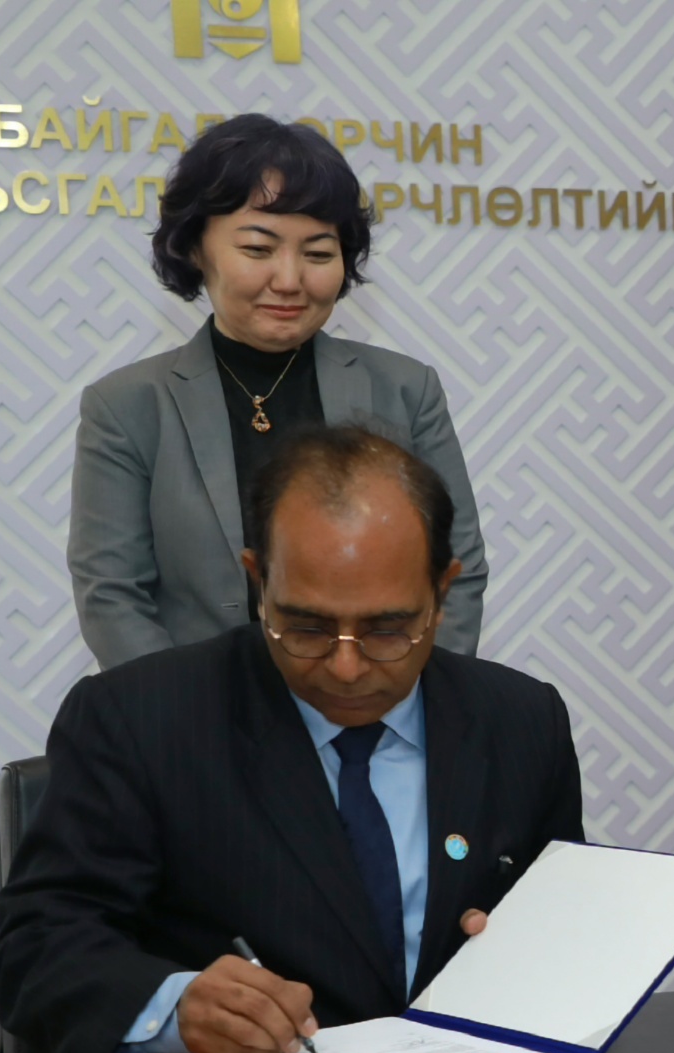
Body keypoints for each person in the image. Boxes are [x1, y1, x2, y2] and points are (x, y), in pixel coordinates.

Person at [0, 424, 582, 1053]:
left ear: (443, 593)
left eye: (387, 629)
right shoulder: (140, 719)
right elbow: (35, 950)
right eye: (306, 627)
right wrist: (175, 1006)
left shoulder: (522, 720)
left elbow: (569, 930)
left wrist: (523, 952)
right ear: (258, 580)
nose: (347, 667)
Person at [68, 113, 487, 670]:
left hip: (372, 696)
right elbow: (112, 595)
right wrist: (182, 713)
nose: (289, 280)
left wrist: (402, 695)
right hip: (197, 706)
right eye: (258, 250)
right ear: (195, 249)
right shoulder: (128, 406)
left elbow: (457, 569)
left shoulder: (406, 390)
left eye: (317, 254)